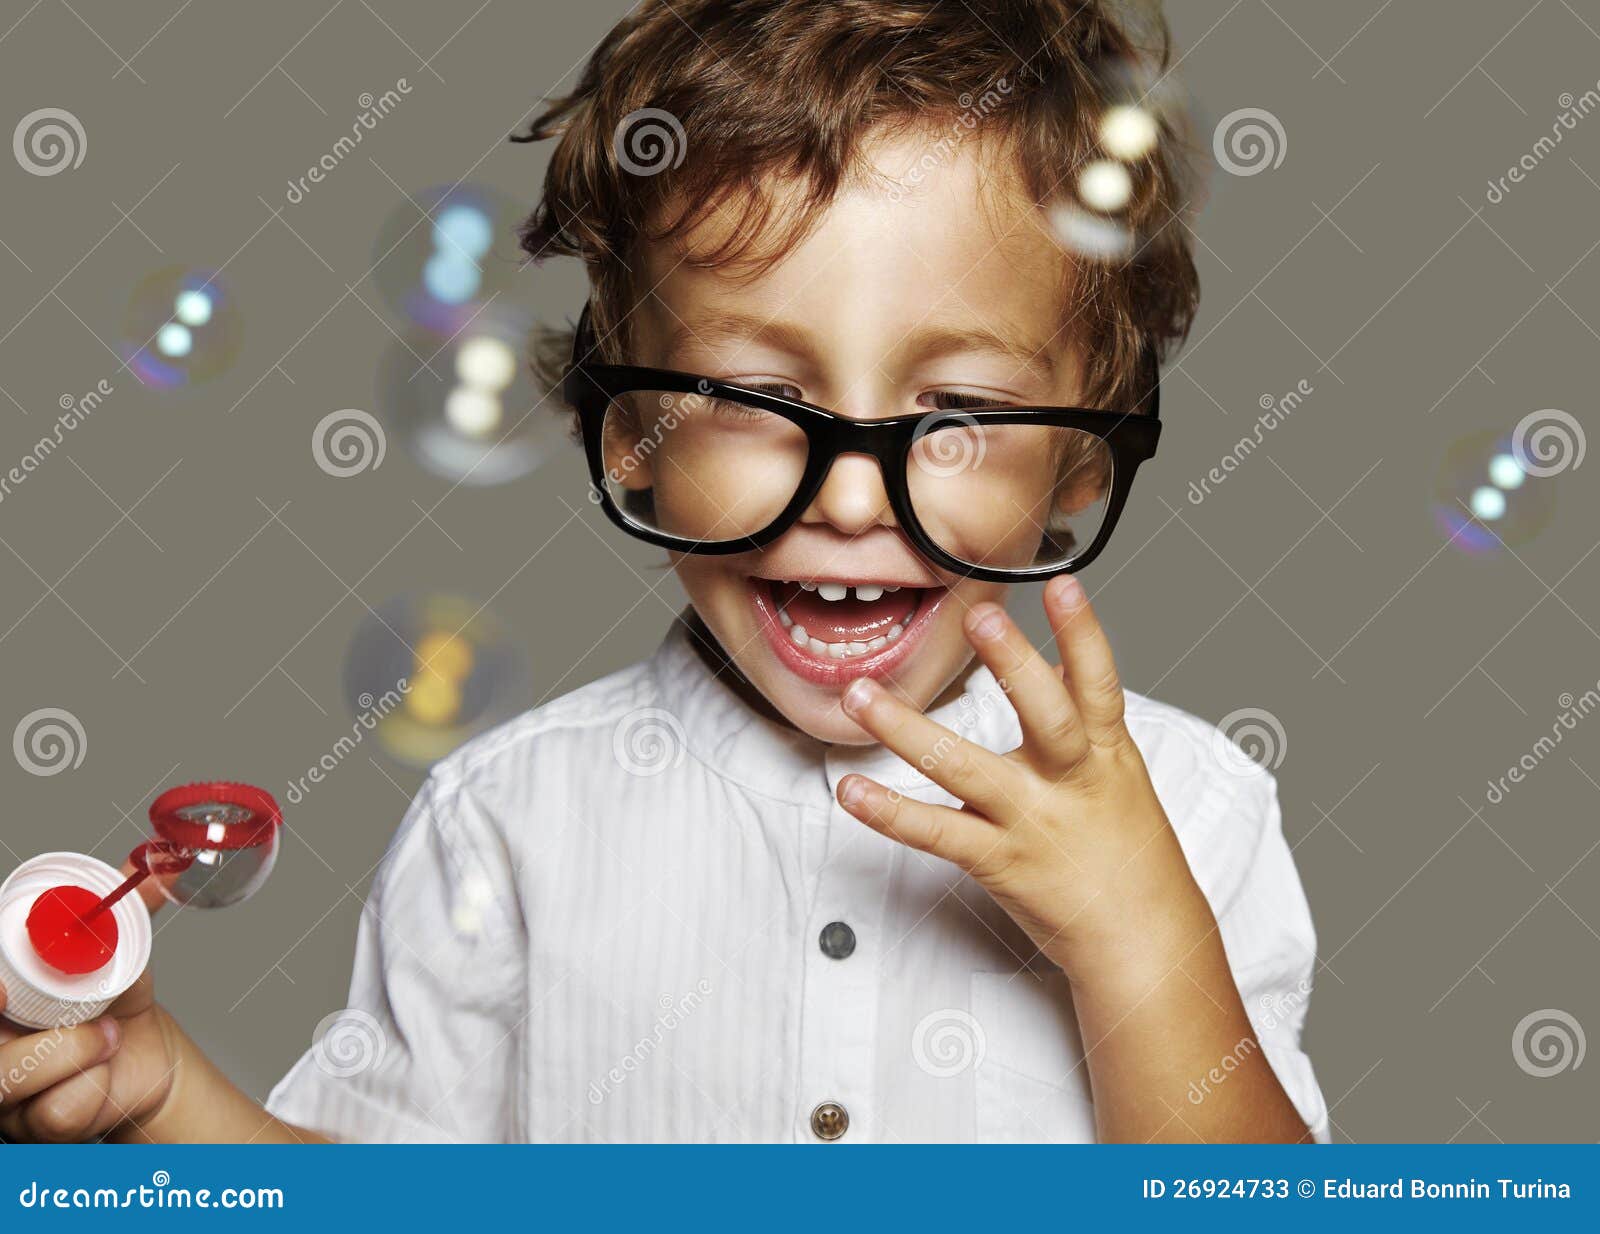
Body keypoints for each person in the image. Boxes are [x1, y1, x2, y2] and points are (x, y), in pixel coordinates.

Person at [0, 0, 1325, 1143]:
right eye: (752, 397)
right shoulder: (507, 825)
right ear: (629, 426)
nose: (853, 494)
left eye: (959, 411)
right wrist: (157, 1097)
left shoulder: (1196, 815)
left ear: (1081, 463)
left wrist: (1139, 933)